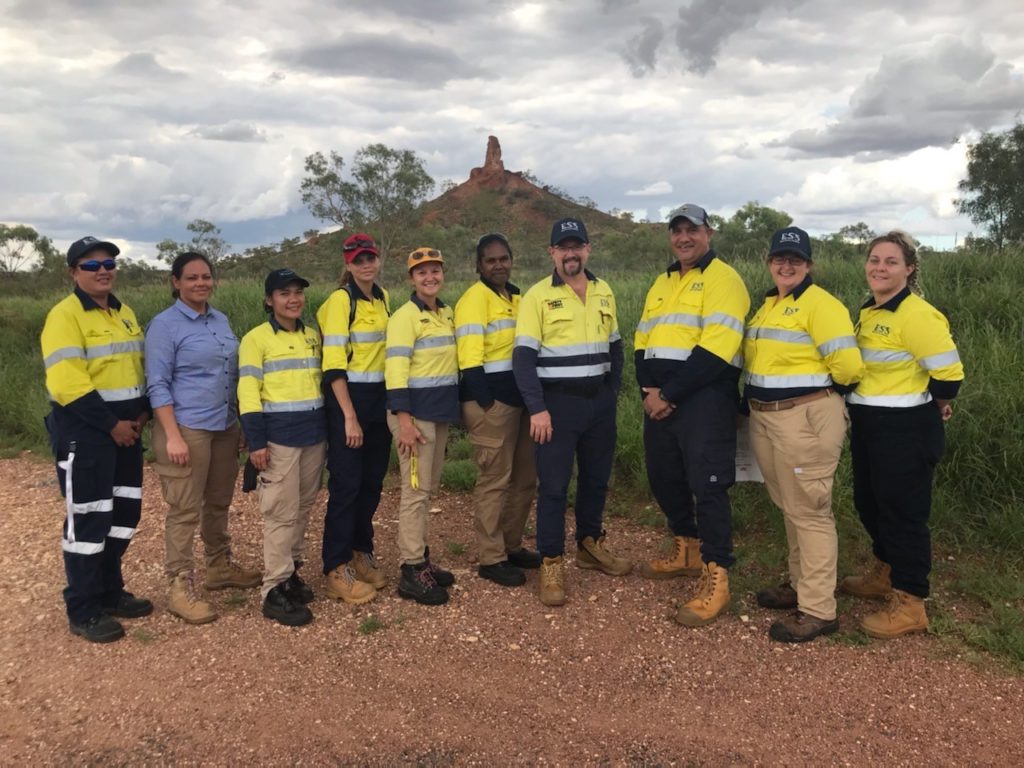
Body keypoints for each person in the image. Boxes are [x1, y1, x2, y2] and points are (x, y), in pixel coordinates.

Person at [742, 227, 865, 642]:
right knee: (789, 505)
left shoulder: (821, 305)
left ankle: (818, 610)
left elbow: (848, 368)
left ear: (809, 265)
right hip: (766, 416)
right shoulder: (768, 305)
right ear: (770, 261)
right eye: (780, 258)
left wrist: (816, 403)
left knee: (810, 510)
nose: (786, 265)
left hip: (804, 417)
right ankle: (799, 586)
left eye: (795, 259)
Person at [841, 231, 964, 638]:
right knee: (869, 502)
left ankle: (911, 602)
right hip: (869, 425)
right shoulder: (870, 311)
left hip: (906, 429)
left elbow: (949, 373)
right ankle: (886, 571)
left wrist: (937, 404)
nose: (880, 267)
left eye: (891, 261)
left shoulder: (917, 314)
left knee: (903, 515)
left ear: (909, 269)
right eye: (875, 259)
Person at [634, 204, 750, 627]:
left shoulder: (724, 280)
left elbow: (718, 348)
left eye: (692, 230)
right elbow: (642, 336)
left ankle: (717, 576)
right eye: (677, 231)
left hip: (704, 397)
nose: (684, 238)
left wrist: (669, 393)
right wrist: (648, 390)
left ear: (709, 233)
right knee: (665, 476)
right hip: (660, 397)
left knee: (709, 484)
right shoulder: (663, 281)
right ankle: (686, 548)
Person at [513, 217, 629, 608]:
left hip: (598, 403)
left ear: (587, 249)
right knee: (554, 488)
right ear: (552, 253)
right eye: (563, 247)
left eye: (577, 245)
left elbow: (616, 345)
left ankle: (589, 544)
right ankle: (550, 560)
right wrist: (538, 409)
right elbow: (524, 360)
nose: (571, 253)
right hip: (556, 406)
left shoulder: (603, 290)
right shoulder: (537, 296)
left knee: (596, 480)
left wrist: (611, 390)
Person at [40, 236, 151, 643]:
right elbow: (68, 382)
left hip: (127, 431)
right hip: (87, 435)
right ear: (74, 272)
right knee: (89, 519)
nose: (103, 270)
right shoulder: (65, 317)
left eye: (108, 263)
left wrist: (142, 413)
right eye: (91, 265)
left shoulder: (124, 313)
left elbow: (137, 369)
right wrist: (111, 425)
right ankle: (83, 608)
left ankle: (109, 591)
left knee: (123, 517)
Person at [145, 251, 261, 625]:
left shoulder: (220, 320)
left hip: (224, 426)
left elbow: (231, 376)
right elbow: (157, 384)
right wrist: (172, 435)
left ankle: (218, 568)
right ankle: (180, 585)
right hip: (186, 428)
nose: (201, 283)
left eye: (206, 276)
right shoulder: (164, 326)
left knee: (218, 501)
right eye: (192, 277)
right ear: (176, 282)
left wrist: (240, 422)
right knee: (184, 509)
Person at [238, 269, 327, 626]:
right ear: (268, 300)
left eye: (297, 293)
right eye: (283, 293)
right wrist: (257, 442)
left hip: (314, 436)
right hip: (278, 441)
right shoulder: (255, 339)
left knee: (303, 508)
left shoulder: (311, 337)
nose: (293, 299)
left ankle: (291, 573)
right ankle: (273, 589)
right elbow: (248, 392)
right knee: (280, 512)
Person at [455, 233, 540, 588]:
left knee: (525, 479)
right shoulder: (474, 301)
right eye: (491, 260)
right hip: (493, 405)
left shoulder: (518, 297)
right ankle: (491, 558)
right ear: (479, 265)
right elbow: (469, 360)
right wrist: (488, 404)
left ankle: (511, 544)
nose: (499, 265)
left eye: (503, 258)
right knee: (494, 480)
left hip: (522, 403)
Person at [316, 233, 391, 605]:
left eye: (370, 258)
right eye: (358, 259)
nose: (366, 264)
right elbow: (333, 366)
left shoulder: (382, 298)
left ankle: (362, 551)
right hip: (349, 402)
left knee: (371, 483)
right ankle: (336, 565)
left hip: (380, 401)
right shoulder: (339, 302)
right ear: (347, 264)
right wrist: (348, 416)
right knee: (346, 486)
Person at [385, 247, 459, 606]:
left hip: (437, 413)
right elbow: (396, 369)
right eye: (421, 272)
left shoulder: (445, 312)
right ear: (411, 279)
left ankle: (422, 559)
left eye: (434, 271)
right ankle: (411, 569)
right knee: (415, 492)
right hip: (413, 418)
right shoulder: (405, 316)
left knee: (427, 489)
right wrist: (403, 421)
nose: (429, 277)